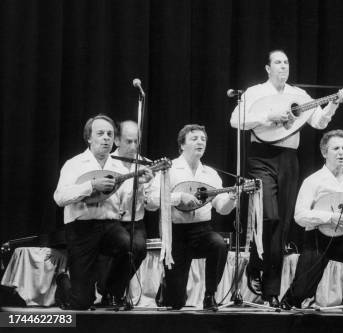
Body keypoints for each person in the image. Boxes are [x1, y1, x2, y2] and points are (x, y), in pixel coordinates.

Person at [229, 50, 343, 307]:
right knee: (269, 216)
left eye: (286, 62)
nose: (283, 66)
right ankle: (255, 262)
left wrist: (335, 102)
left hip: (288, 158)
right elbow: (234, 120)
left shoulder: (299, 96)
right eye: (278, 62)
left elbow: (318, 122)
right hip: (261, 156)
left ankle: (271, 290)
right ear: (267, 67)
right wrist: (267, 118)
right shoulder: (255, 92)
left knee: (283, 223)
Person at [53, 114, 154, 309]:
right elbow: (59, 198)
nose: (106, 138)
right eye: (100, 133)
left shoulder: (118, 165)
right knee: (81, 303)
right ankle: (64, 285)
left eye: (110, 134)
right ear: (89, 137)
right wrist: (91, 186)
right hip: (81, 229)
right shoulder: (74, 164)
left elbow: (126, 202)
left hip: (109, 226)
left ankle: (111, 292)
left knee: (132, 245)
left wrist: (139, 185)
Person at [280, 130, 343, 309]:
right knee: (300, 293)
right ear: (324, 153)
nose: (341, 152)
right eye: (336, 148)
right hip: (317, 239)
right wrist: (329, 217)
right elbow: (299, 215)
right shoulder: (313, 181)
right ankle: (290, 300)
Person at [147, 124, 236, 310]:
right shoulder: (168, 169)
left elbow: (222, 208)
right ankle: (167, 287)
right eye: (194, 138)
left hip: (201, 231)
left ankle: (210, 295)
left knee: (219, 244)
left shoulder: (210, 174)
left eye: (203, 139)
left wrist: (231, 198)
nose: (200, 142)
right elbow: (152, 200)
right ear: (182, 145)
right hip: (175, 234)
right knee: (176, 303)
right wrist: (179, 197)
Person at [96, 120, 159, 306]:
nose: (133, 146)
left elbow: (153, 206)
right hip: (110, 220)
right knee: (124, 246)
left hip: (135, 220)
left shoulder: (147, 165)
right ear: (117, 140)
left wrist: (143, 187)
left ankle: (113, 292)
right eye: (128, 141)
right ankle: (107, 290)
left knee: (139, 249)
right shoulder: (106, 162)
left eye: (136, 141)